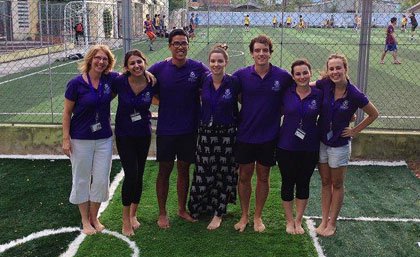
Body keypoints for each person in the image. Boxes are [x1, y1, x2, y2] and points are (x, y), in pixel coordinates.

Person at [148, 29, 209, 229]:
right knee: (164, 170)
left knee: (184, 169)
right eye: (176, 43)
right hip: (166, 129)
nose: (180, 47)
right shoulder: (159, 68)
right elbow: (144, 82)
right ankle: (162, 213)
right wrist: (163, 102)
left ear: (188, 45)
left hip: (189, 129)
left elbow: (216, 77)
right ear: (170, 46)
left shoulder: (198, 68)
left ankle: (182, 209)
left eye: (183, 43)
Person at [232, 35, 293, 233]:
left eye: (265, 50)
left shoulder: (282, 76)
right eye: (257, 50)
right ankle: (244, 215)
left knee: (263, 177)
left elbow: (298, 89)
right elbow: (224, 85)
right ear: (251, 53)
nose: (261, 54)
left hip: (269, 136)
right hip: (245, 134)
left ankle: (258, 216)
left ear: (270, 52)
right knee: (244, 176)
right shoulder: (241, 75)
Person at [315, 54, 379, 237]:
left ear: (345, 69)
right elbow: (305, 85)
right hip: (322, 142)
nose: (335, 72)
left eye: (338, 68)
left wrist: (354, 130)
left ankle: (332, 223)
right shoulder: (325, 85)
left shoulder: (354, 93)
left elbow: (374, 114)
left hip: (339, 145)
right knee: (325, 182)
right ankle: (324, 219)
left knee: (337, 183)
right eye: (331, 69)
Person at [62, 45, 117, 235]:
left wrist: (149, 74)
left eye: (105, 59)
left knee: (101, 179)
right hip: (80, 138)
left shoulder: (110, 80)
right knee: (81, 179)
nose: (101, 62)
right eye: (97, 58)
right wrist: (65, 139)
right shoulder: (76, 84)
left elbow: (132, 73)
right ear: (90, 59)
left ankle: (95, 217)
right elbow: (67, 113)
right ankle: (85, 220)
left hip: (104, 139)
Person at [188, 44, 239, 230]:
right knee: (203, 170)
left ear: (226, 62)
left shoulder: (234, 82)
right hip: (206, 133)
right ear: (209, 63)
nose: (216, 64)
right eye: (213, 61)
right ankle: (199, 206)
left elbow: (243, 102)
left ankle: (219, 212)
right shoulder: (204, 80)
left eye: (220, 61)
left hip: (227, 134)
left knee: (223, 173)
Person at [112, 50, 155, 236]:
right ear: (126, 67)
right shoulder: (120, 81)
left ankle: (133, 215)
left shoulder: (152, 81)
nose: (136, 66)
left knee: (140, 174)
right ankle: (125, 220)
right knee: (131, 173)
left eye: (139, 62)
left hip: (143, 134)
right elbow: (104, 95)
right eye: (132, 63)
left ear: (144, 62)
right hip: (124, 134)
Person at [277, 59, 322, 235]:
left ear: (310, 73)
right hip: (286, 146)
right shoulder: (286, 93)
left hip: (309, 147)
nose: (302, 76)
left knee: (303, 183)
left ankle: (298, 220)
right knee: (288, 182)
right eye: (298, 73)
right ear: (293, 76)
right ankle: (289, 221)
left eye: (305, 73)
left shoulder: (319, 94)